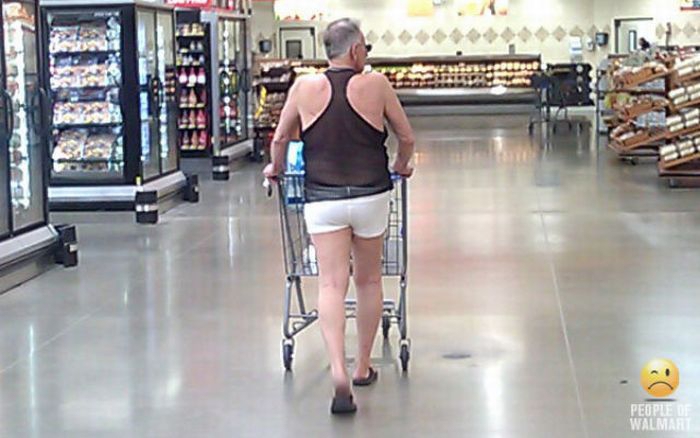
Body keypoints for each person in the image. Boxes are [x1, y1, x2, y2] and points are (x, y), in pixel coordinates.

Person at [263, 18, 415, 414]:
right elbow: (406, 136)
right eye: (365, 47)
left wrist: (275, 168)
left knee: (331, 284)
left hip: (322, 198)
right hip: (371, 196)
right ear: (354, 50)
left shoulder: (304, 87)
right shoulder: (376, 85)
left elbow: (280, 138)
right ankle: (362, 366)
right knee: (368, 280)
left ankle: (338, 372)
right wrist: (402, 165)